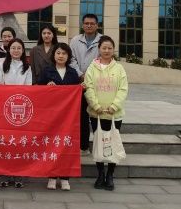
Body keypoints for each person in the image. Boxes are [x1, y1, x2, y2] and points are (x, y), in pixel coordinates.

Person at [84, 35, 128, 191]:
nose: (107, 50)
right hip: (96, 114)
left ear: (113, 50)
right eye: (104, 48)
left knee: (112, 144)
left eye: (110, 48)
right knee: (99, 144)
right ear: (99, 49)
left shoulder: (119, 68)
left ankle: (110, 175)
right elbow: (88, 87)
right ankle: (100, 174)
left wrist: (114, 106)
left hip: (114, 115)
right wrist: (95, 105)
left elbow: (123, 89)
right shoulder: (92, 68)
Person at [38, 42, 80, 191]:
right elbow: (37, 90)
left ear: (68, 56)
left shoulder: (73, 73)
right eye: (58, 53)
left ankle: (65, 178)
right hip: (51, 116)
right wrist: (46, 87)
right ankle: (51, 176)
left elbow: (76, 93)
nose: (61, 56)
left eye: (64, 53)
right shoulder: (46, 71)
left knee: (66, 146)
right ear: (53, 55)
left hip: (68, 117)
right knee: (51, 146)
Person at [0, 38, 32, 188]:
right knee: (5, 142)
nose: (16, 50)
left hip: (21, 107)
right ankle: (4, 174)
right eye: (13, 48)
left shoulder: (27, 67)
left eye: (19, 48)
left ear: (23, 50)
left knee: (19, 143)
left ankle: (19, 174)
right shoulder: (1, 64)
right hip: (4, 106)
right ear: (9, 50)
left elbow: (29, 87)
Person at [69, 14, 103, 154]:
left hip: (97, 84)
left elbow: (103, 59)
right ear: (82, 25)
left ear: (97, 25)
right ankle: (83, 146)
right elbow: (71, 59)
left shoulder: (102, 40)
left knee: (97, 115)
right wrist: (80, 74)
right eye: (86, 23)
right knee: (82, 115)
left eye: (92, 23)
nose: (89, 25)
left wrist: (88, 77)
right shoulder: (75, 40)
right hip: (79, 84)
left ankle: (100, 147)